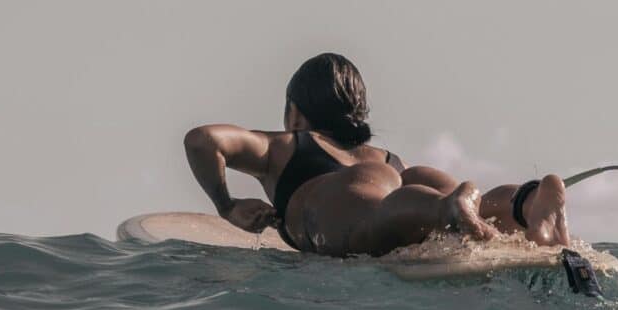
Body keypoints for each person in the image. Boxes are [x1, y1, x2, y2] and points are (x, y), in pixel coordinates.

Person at [184, 53, 570, 257]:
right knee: (483, 208)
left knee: (377, 223)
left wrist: (226, 205)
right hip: (401, 174)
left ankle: (451, 207)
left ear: (295, 112)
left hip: (356, 196)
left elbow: (202, 139)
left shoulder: (285, 146)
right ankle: (527, 201)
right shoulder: (381, 156)